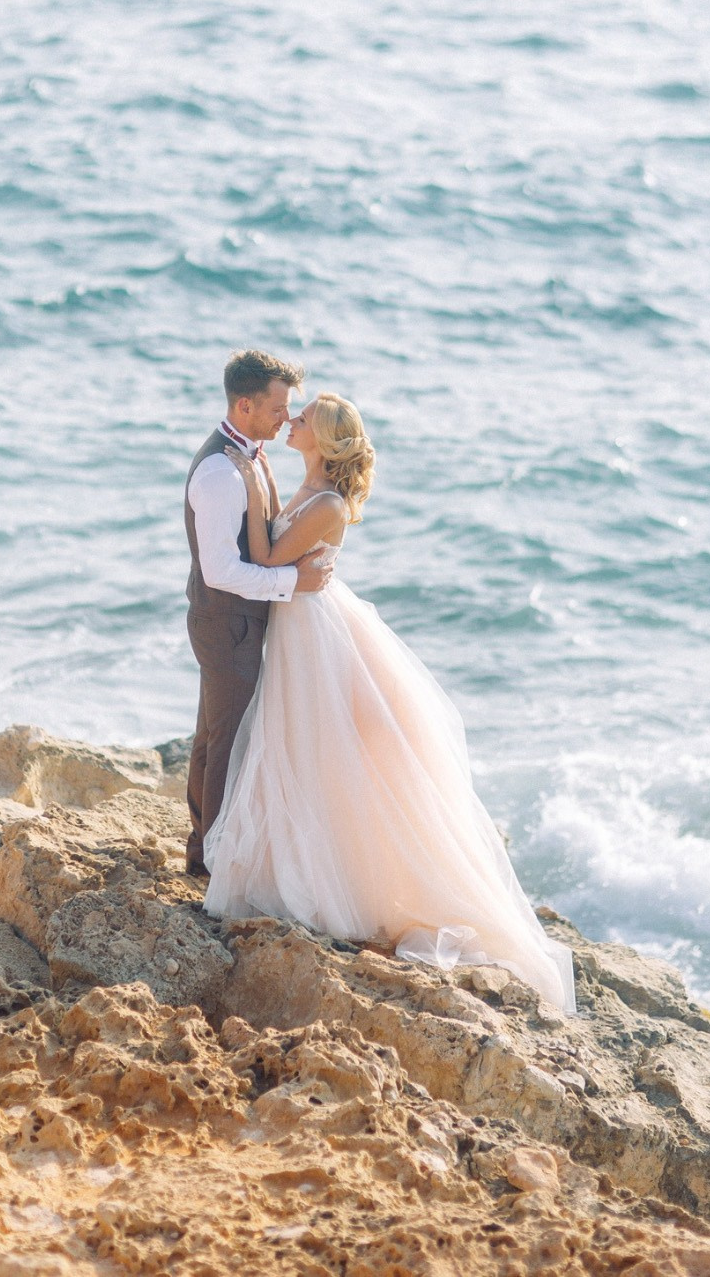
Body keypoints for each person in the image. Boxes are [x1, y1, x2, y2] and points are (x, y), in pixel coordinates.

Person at [203, 391, 576, 1015]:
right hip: (300, 627)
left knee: (320, 749)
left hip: (316, 631)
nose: (290, 422)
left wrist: (245, 484)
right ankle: (295, 864)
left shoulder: (326, 505)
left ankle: (327, 879)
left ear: (322, 440)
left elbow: (268, 556)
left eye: (302, 420)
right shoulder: (303, 486)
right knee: (297, 746)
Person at [183, 349, 329, 877]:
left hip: (234, 621)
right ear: (244, 406)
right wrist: (295, 581)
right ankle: (215, 864)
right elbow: (220, 570)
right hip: (227, 622)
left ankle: (202, 852)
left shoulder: (250, 455)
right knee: (227, 744)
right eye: (276, 408)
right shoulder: (221, 471)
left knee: (212, 738)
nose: (286, 418)